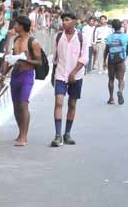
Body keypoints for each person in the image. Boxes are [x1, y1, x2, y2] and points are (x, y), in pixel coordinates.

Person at [5, 16, 43, 147]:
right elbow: (11, 58)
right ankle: (20, 131)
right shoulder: (15, 40)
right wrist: (3, 74)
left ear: (21, 26)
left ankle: (24, 136)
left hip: (27, 75)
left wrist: (25, 60)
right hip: (15, 74)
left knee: (23, 103)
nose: (14, 26)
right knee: (16, 105)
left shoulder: (33, 42)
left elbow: (39, 62)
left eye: (16, 24)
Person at [51, 12, 87, 147]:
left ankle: (67, 133)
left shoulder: (82, 37)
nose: (64, 22)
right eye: (63, 20)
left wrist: (74, 72)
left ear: (74, 21)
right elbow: (55, 58)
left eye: (67, 20)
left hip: (76, 76)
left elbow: (84, 58)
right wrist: (52, 74)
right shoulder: (58, 36)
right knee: (58, 102)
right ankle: (57, 135)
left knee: (72, 104)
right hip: (60, 74)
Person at [105, 18, 128, 105]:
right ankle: (120, 90)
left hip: (111, 60)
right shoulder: (126, 37)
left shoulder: (109, 37)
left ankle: (111, 98)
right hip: (120, 60)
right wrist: (124, 57)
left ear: (112, 27)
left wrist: (104, 60)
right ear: (121, 26)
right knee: (121, 79)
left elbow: (106, 50)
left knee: (111, 79)